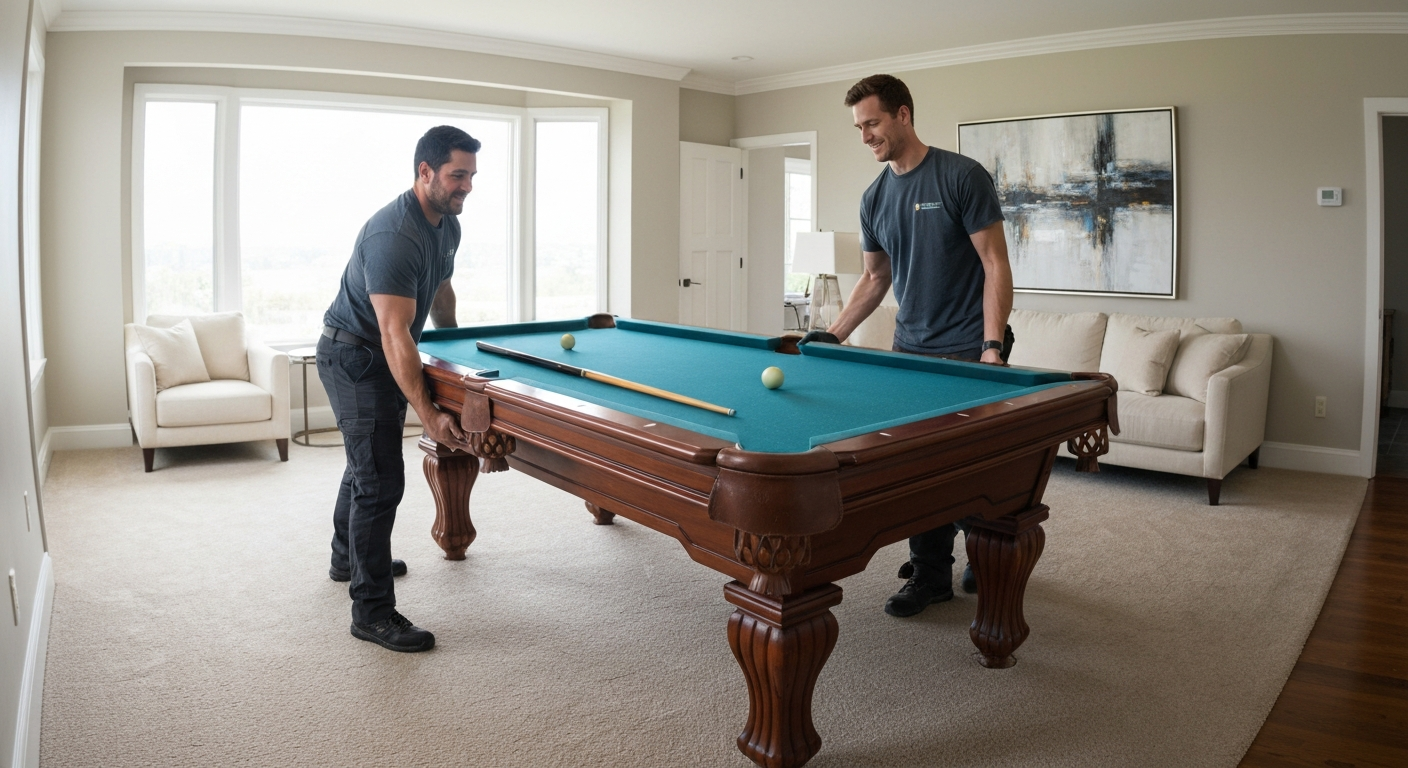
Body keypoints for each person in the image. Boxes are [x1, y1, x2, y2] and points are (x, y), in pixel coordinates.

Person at [801, 74, 1015, 618]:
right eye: (858, 127)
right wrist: (832, 335)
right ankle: (931, 574)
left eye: (872, 122)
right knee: (920, 469)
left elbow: (995, 264)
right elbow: (875, 279)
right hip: (910, 350)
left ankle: (984, 545)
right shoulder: (875, 197)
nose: (865, 135)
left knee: (970, 466)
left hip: (969, 346)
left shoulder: (960, 176)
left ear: (903, 114)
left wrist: (992, 346)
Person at [317, 125, 479, 652]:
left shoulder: (446, 225)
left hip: (380, 349)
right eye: (458, 175)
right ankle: (372, 611)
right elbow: (394, 333)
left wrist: (454, 350)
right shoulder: (394, 235)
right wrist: (431, 416)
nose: (467, 187)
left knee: (366, 461)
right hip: (355, 356)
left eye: (472, 176)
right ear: (424, 172)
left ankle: (348, 557)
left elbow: (440, 288)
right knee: (381, 478)